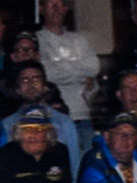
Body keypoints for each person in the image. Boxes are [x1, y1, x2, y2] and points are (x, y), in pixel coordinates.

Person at [36, 0, 98, 145]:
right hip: (53, 117)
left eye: (60, 5)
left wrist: (62, 67)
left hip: (82, 115)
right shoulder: (38, 40)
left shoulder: (80, 40)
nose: (57, 9)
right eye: (52, 5)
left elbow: (94, 67)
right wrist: (81, 75)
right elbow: (49, 73)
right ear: (42, 9)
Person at [3, 64, 80, 166]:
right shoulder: (7, 124)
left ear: (45, 87)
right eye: (25, 80)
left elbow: (74, 162)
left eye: (36, 79)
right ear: (18, 89)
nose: (31, 84)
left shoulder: (63, 122)